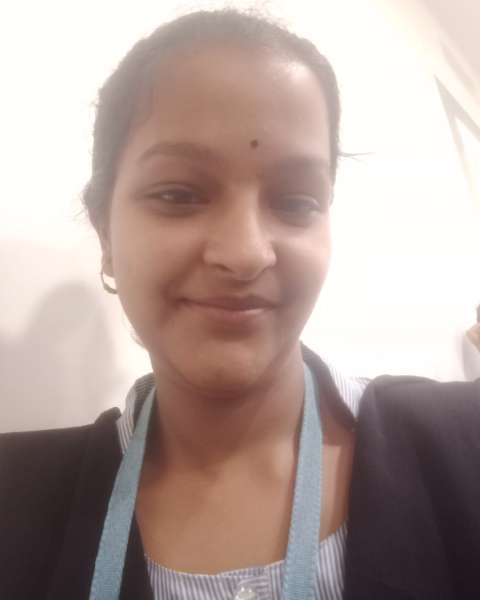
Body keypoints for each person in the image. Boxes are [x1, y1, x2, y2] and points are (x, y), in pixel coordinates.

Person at [1, 8, 479, 600]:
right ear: (105, 234)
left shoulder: (464, 444)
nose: (245, 253)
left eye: (295, 201)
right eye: (179, 194)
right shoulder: (16, 502)